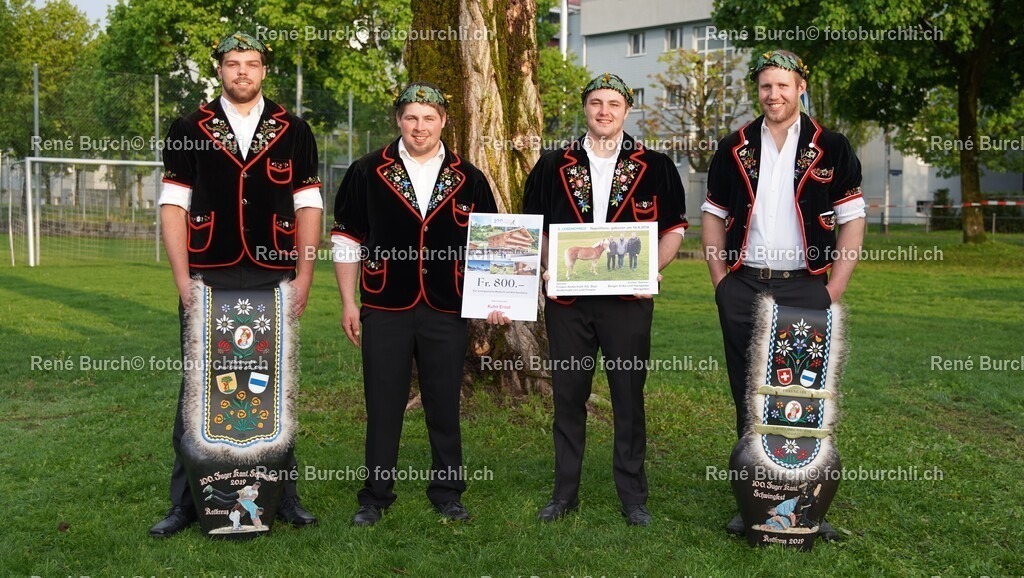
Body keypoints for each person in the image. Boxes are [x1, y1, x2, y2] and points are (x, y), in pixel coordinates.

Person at [150, 31, 320, 537]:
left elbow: (307, 206)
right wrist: (182, 279)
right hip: (208, 272)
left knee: (275, 384)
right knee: (197, 388)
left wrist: (306, 274)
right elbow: (172, 207)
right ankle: (185, 501)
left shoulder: (294, 129)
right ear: (219, 70)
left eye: (250, 63)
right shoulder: (189, 127)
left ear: (264, 70)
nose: (241, 71)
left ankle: (284, 496)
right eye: (232, 63)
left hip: (273, 272)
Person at [701, 49, 865, 541]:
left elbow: (851, 222)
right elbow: (713, 215)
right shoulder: (734, 148)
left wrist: (834, 287)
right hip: (744, 281)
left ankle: (807, 503)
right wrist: (719, 280)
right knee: (748, 397)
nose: (774, 95)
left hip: (806, 284)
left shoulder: (832, 147)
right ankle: (751, 502)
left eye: (783, 86)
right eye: (766, 86)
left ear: (801, 88)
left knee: (805, 395)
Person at [523, 73, 688, 526]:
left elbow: (673, 229)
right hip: (569, 304)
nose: (604, 111)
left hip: (627, 303)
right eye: (596, 102)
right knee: (568, 395)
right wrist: (547, 267)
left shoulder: (655, 166)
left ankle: (633, 496)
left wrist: (652, 271)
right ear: (586, 108)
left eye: (613, 103)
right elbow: (534, 228)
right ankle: (564, 494)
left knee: (628, 396)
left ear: (626, 110)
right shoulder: (553, 164)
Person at [332, 82, 498, 526]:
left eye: (429, 117)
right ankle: (375, 497)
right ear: (399, 121)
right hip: (386, 304)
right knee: (383, 403)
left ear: (444, 121)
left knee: (444, 402)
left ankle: (448, 492)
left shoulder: (471, 178)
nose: (419, 126)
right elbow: (347, 237)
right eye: (411, 117)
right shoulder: (367, 171)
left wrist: (496, 298)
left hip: (447, 305)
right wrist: (349, 301)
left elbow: (493, 244)